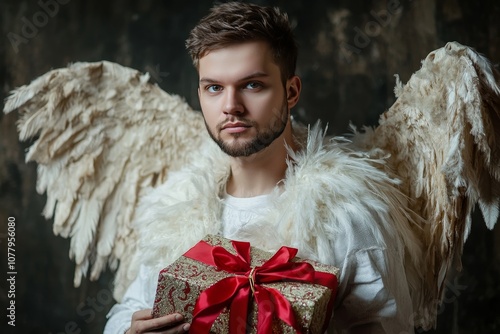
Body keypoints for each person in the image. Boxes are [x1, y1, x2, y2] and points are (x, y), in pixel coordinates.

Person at [104, 2, 420, 333]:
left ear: (291, 91)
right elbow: (127, 310)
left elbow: (388, 326)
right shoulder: (174, 207)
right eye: (214, 87)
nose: (230, 107)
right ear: (199, 93)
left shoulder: (348, 215)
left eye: (252, 85)